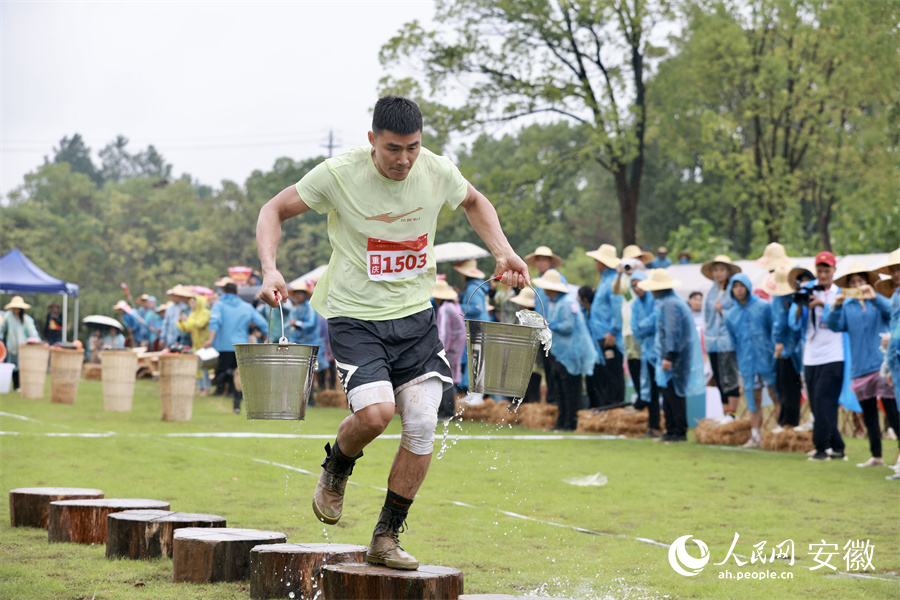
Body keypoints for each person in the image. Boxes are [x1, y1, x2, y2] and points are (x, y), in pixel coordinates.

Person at [255, 96, 529, 571]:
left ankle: (386, 536)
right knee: (378, 415)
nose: (404, 159)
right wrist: (269, 270)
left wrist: (503, 251)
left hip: (414, 317)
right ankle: (337, 466)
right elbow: (273, 209)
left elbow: (474, 201)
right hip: (354, 316)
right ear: (372, 141)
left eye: (413, 147)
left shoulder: (436, 171)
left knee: (422, 423)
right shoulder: (339, 174)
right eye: (393, 149)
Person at [826, 263, 898, 467]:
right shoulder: (847, 307)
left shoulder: (878, 302)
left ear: (867, 283)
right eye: (853, 282)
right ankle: (877, 456)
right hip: (860, 368)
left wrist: (874, 297)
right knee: (869, 415)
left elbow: (892, 313)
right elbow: (834, 325)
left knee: (892, 411)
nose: (858, 285)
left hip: (881, 364)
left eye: (860, 281)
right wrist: (837, 304)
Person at [789, 251, 853, 462]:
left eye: (827, 270)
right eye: (820, 270)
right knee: (817, 404)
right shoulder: (808, 289)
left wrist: (822, 305)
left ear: (834, 271)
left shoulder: (840, 293)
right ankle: (838, 447)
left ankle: (820, 449)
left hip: (834, 355)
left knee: (824, 400)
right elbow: (794, 324)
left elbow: (841, 322)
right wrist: (800, 305)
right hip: (811, 355)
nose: (823, 275)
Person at [637, 270, 704, 442]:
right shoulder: (669, 302)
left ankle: (678, 430)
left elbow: (673, 331)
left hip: (676, 357)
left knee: (674, 394)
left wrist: (670, 356)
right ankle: (671, 429)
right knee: (668, 393)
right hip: (674, 355)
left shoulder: (670, 304)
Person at [533, 270, 597, 431]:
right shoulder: (554, 303)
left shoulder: (567, 303)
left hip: (571, 354)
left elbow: (568, 327)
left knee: (571, 390)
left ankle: (571, 422)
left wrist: (550, 325)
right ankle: (561, 422)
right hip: (559, 353)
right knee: (560, 389)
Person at [725, 273, 781, 448]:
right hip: (747, 362)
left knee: (776, 395)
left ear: (748, 287)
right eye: (735, 286)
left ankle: (779, 433)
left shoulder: (764, 307)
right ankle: (755, 436)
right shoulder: (731, 315)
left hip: (767, 359)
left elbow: (773, 330)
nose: (739, 290)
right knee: (753, 399)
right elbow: (734, 340)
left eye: (742, 286)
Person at [205, 282, 269, 414]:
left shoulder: (219, 305)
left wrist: (210, 339)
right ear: (237, 292)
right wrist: (266, 336)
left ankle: (227, 375)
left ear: (223, 291)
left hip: (223, 346)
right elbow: (262, 322)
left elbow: (214, 321)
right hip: (241, 347)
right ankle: (236, 406)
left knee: (220, 375)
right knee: (238, 376)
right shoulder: (246, 307)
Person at [762, 265, 804, 429]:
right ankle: (786, 421)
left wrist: (779, 342)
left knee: (788, 387)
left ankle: (788, 423)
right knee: (786, 387)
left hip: (788, 349)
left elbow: (781, 322)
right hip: (790, 347)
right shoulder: (784, 296)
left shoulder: (784, 297)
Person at [701, 255, 742, 424]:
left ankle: (732, 413)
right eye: (716, 270)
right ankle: (725, 412)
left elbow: (736, 315)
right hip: (712, 341)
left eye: (722, 270)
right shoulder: (711, 292)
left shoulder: (733, 290)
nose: (718, 273)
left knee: (729, 377)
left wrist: (722, 312)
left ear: (728, 271)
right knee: (718, 377)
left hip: (727, 341)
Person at [585, 244, 624, 408]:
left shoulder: (613, 281)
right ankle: (608, 406)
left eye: (597, 260)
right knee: (605, 374)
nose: (595, 263)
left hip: (608, 336)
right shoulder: (605, 280)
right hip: (600, 335)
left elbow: (617, 308)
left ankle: (616, 405)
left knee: (613, 373)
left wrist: (613, 332)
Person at [629, 270, 661, 437]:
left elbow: (656, 320)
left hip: (660, 351)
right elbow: (635, 327)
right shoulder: (635, 305)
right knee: (651, 390)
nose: (637, 288)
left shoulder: (654, 300)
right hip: (647, 352)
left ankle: (667, 426)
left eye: (639, 284)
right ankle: (653, 426)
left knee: (664, 388)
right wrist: (644, 327)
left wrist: (643, 327)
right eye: (633, 285)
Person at [876, 249, 900, 479]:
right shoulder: (895, 297)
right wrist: (890, 364)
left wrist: (893, 340)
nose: (896, 273)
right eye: (894, 270)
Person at [432, 278, 466, 418]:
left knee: (446, 376)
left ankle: (447, 410)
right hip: (457, 344)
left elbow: (444, 331)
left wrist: (441, 349)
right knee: (449, 376)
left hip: (451, 346)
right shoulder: (453, 306)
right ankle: (446, 409)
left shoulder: (445, 308)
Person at [456, 259, 487, 404]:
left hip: (478, 328)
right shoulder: (473, 287)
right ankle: (473, 393)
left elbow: (477, 308)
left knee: (478, 360)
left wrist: (459, 305)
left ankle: (478, 396)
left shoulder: (472, 288)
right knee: (474, 360)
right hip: (476, 328)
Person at [511, 287, 543, 403]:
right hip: (522, 362)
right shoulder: (521, 318)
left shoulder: (535, 320)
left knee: (532, 392)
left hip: (532, 363)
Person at [0, 296, 40, 390]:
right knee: (13, 366)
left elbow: (32, 333)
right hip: (11, 346)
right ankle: (15, 385)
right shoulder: (8, 317)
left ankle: (21, 386)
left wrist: (37, 341)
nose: (15, 310)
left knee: (22, 366)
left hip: (23, 347)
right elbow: (2, 329)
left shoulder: (26, 320)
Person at [177, 294, 212, 395]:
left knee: (205, 368)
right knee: (197, 368)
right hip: (196, 345)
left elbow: (200, 324)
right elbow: (187, 328)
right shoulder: (192, 314)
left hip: (205, 344)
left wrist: (188, 319)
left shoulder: (205, 313)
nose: (191, 305)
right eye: (191, 303)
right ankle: (200, 387)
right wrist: (182, 322)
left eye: (193, 302)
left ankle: (207, 388)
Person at [524, 246, 568, 320]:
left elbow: (563, 302)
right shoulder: (538, 280)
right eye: (538, 260)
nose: (541, 263)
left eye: (544, 260)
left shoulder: (558, 278)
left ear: (550, 262)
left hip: (554, 322)